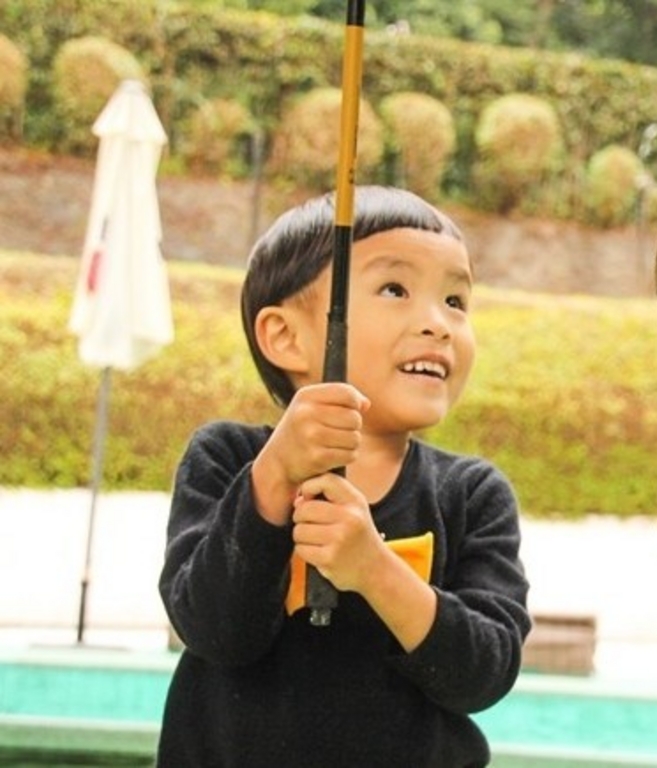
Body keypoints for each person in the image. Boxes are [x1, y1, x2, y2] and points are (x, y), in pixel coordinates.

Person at [157, 186, 532, 767]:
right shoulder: (227, 460)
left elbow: (483, 674)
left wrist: (373, 570)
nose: (438, 324)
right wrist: (276, 476)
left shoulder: (472, 495)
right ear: (286, 336)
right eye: (395, 289)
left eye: (456, 300)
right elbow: (213, 630)